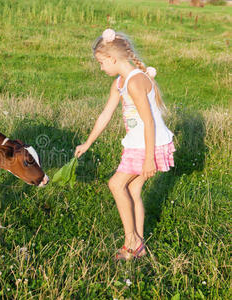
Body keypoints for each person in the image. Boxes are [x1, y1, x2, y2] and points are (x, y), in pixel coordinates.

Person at [74, 29, 175, 260]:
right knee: (133, 189)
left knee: (116, 184)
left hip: (148, 146)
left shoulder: (135, 82)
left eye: (101, 62)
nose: (101, 68)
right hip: (139, 144)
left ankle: (132, 240)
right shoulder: (120, 82)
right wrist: (88, 142)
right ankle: (137, 247)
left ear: (113, 58)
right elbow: (105, 115)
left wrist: (149, 158)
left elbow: (149, 121)